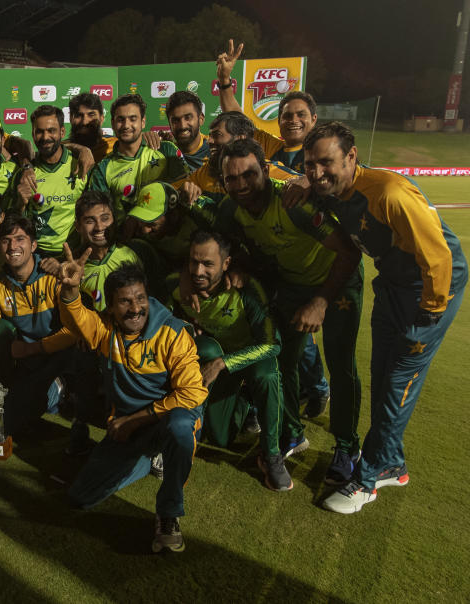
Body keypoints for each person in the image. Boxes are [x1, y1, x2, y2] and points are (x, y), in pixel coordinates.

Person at [303, 122, 466, 513]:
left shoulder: (389, 193)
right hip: (392, 285)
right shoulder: (330, 190)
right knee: (381, 375)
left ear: (351, 156)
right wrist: (300, 181)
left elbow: (440, 256)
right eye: (310, 165)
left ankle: (369, 477)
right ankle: (393, 463)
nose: (317, 172)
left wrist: (431, 310)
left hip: (427, 290)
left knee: (398, 381)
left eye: (326, 162)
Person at [210, 138, 364, 480]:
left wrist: (321, 301)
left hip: (337, 282)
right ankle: (293, 433)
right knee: (284, 360)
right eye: (230, 179)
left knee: (341, 365)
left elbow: (349, 253)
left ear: (264, 171)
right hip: (292, 285)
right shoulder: (229, 210)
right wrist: (237, 268)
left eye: (248, 175)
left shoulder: (294, 202)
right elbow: (223, 248)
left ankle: (346, 445)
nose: (240, 186)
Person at [58, 257, 207, 553]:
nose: (136, 308)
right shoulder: (106, 327)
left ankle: (169, 513)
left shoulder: (173, 332)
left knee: (180, 427)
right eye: (125, 302)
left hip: (168, 419)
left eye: (140, 299)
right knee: (80, 497)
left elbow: (192, 393)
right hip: (129, 425)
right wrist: (70, 293)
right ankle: (147, 457)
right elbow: (77, 320)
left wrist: (135, 420)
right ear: (111, 307)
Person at [165, 230, 290, 491]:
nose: (198, 271)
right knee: (222, 439)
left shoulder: (248, 289)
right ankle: (243, 402)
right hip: (219, 364)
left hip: (248, 360)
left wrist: (224, 363)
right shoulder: (177, 285)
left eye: (208, 264)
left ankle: (271, 455)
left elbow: (271, 344)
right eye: (193, 262)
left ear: (226, 264)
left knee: (266, 375)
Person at [0, 215, 85, 444]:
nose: (13, 246)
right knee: (1, 330)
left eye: (20, 239)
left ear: (33, 245)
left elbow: (74, 330)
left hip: (58, 355)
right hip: (27, 362)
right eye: (6, 241)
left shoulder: (55, 278)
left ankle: (64, 392)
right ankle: (19, 397)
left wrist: (34, 348)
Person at [215, 39, 317, 173]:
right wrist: (224, 79)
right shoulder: (269, 146)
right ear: (279, 121)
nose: (294, 120)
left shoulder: (321, 153)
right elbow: (236, 118)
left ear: (314, 119)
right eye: (287, 116)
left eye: (301, 114)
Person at [89, 94, 188, 220]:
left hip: (167, 236)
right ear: (113, 124)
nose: (126, 125)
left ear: (143, 122)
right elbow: (100, 214)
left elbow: (185, 191)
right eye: (120, 120)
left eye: (133, 119)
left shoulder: (166, 150)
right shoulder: (103, 169)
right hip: (125, 238)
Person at [12, 105, 90, 257]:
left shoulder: (82, 166)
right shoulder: (24, 175)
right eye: (39, 131)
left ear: (62, 131)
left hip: (75, 254)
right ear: (33, 134)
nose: (45, 137)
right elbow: (13, 223)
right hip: (36, 257)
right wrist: (20, 204)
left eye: (51, 130)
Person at [70, 190, 160, 311]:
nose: (99, 227)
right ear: (78, 227)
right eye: (90, 221)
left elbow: (157, 297)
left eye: (105, 218)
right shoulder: (73, 268)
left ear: (114, 219)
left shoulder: (138, 251)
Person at [165, 91, 209, 171]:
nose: (182, 126)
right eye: (175, 120)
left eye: (188, 118)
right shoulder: (165, 153)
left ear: (201, 119)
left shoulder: (216, 149)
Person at [67, 92, 115, 163]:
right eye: (78, 115)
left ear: (101, 119)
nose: (84, 122)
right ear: (70, 119)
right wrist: (79, 148)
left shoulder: (115, 145)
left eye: (91, 115)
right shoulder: (61, 149)